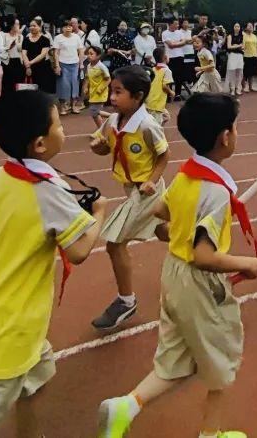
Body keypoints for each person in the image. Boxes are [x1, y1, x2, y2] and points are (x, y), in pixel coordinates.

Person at [97, 93, 257, 438]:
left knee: (175, 357)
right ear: (226, 137)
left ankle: (125, 407)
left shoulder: (186, 176)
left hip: (173, 275)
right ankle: (211, 433)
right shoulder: (216, 193)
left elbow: (161, 213)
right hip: (200, 283)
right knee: (221, 359)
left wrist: (184, 227)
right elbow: (204, 256)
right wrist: (246, 263)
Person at [0, 90, 106, 435]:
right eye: (59, 125)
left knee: (35, 375)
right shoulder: (47, 191)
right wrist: (99, 213)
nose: (64, 131)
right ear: (40, 144)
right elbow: (79, 251)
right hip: (12, 326)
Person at [90, 66, 170, 330]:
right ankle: (201, 249)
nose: (112, 97)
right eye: (112, 91)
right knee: (164, 232)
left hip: (146, 191)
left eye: (118, 92)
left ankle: (126, 301)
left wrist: (152, 180)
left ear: (137, 97)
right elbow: (106, 148)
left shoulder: (147, 125)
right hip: (129, 188)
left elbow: (163, 155)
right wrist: (100, 148)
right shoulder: (113, 121)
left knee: (114, 243)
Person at [53, 20, 84, 115]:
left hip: (75, 64)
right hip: (63, 64)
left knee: (75, 85)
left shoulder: (76, 37)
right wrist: (57, 65)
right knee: (63, 86)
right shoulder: (58, 38)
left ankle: (73, 106)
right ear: (62, 28)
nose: (68, 28)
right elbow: (56, 53)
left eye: (70, 26)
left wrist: (81, 63)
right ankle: (62, 107)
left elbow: (81, 50)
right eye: (66, 26)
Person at [22, 18, 55, 94]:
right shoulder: (26, 39)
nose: (32, 27)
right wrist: (28, 67)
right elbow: (24, 53)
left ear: (40, 27)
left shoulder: (45, 39)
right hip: (29, 68)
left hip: (42, 67)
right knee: (30, 91)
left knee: (42, 90)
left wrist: (30, 63)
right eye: (30, 26)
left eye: (34, 25)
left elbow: (43, 54)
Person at [83, 45, 111, 128]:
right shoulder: (88, 66)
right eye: (88, 54)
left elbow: (108, 79)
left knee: (94, 111)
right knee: (94, 113)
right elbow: (87, 78)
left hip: (100, 93)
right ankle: (101, 129)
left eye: (91, 54)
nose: (89, 56)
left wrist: (101, 88)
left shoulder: (102, 67)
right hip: (93, 92)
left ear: (98, 56)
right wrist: (85, 87)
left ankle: (113, 117)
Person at [147, 45, 174, 125]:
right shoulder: (167, 71)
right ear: (165, 57)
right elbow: (165, 86)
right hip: (157, 103)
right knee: (155, 126)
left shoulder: (153, 69)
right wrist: (171, 92)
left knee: (166, 117)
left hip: (150, 101)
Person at [162, 18, 186, 99]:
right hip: (169, 57)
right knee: (169, 77)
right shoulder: (165, 33)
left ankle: (177, 94)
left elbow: (184, 42)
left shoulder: (179, 32)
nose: (178, 25)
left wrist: (175, 43)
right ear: (170, 24)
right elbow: (170, 45)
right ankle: (169, 94)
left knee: (179, 76)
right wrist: (179, 43)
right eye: (176, 24)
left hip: (180, 56)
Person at [0, 16, 25, 93]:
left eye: (19, 24)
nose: (18, 26)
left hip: (18, 61)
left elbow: (20, 49)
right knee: (7, 84)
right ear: (11, 25)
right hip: (7, 61)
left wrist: (18, 37)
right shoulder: (4, 35)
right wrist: (9, 47)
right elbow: (1, 49)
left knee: (18, 84)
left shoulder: (21, 36)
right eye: (16, 24)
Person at [225, 22, 244, 96]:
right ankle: (232, 89)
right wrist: (238, 46)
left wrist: (238, 46)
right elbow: (229, 46)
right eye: (235, 26)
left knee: (239, 73)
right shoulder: (230, 36)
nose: (237, 28)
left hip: (239, 55)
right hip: (232, 55)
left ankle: (238, 88)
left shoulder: (241, 36)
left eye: (238, 26)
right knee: (232, 73)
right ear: (233, 27)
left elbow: (242, 46)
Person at [242, 21, 257, 93]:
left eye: (251, 26)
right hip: (246, 56)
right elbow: (242, 46)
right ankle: (243, 87)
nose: (251, 27)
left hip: (254, 55)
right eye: (249, 26)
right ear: (246, 27)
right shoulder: (243, 35)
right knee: (245, 73)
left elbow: (256, 46)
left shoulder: (254, 36)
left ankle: (251, 87)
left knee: (251, 73)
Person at [180, 19, 196, 92]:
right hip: (183, 52)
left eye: (187, 23)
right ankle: (184, 82)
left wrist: (187, 41)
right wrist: (188, 41)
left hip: (191, 52)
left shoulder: (191, 32)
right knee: (184, 67)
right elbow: (183, 41)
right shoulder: (179, 32)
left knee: (190, 67)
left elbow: (193, 41)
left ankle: (190, 82)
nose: (186, 24)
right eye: (184, 23)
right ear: (182, 24)